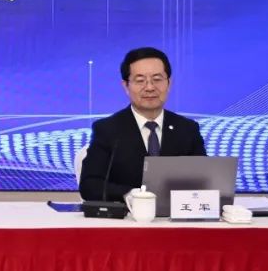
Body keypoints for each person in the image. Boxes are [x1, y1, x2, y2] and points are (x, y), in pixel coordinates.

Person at [79, 46, 207, 202]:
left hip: (176, 214)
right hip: (128, 214)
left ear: (169, 83)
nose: (150, 87)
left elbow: (205, 180)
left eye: (157, 79)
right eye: (140, 81)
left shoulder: (187, 129)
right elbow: (90, 185)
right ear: (126, 86)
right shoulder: (107, 129)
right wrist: (130, 194)